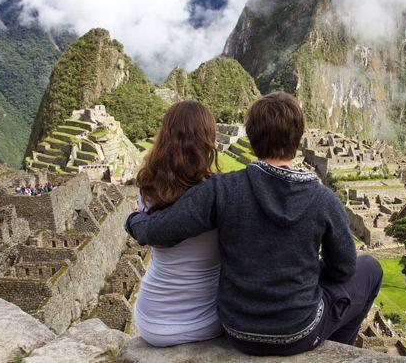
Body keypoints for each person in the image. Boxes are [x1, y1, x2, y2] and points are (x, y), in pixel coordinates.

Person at [126, 92, 383, 356]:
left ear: (250, 137)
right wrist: (301, 270)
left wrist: (134, 220)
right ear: (299, 136)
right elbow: (343, 268)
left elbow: (161, 230)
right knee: (370, 268)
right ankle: (340, 351)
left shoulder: (222, 189)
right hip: (298, 331)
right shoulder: (323, 199)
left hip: (237, 330)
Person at [131, 100, 223, 347]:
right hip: (202, 320)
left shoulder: (146, 188)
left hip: (149, 318)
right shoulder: (216, 193)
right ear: (207, 139)